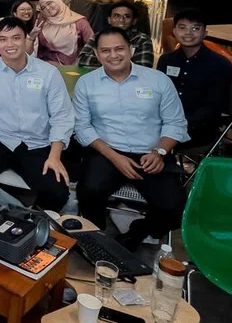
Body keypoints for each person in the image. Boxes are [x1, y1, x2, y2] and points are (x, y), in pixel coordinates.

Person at [74, 28, 189, 250]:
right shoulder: (87, 83)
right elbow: (82, 127)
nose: (113, 55)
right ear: (97, 55)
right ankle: (95, 236)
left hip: (152, 153)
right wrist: (114, 157)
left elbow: (176, 123)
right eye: (106, 51)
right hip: (107, 151)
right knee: (89, 191)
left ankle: (139, 231)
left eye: (119, 49)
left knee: (174, 208)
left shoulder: (158, 80)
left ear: (131, 50)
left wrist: (160, 152)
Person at [0, 17, 74, 213]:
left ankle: (31, 223)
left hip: (37, 144)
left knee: (58, 191)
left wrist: (55, 156)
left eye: (16, 38)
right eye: (3, 39)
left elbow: (62, 117)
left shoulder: (48, 73)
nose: (10, 44)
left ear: (26, 40)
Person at [157, 9, 232, 147]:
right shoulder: (166, 60)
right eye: (182, 28)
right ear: (174, 31)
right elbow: (159, 96)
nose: (188, 33)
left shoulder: (219, 65)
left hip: (198, 129)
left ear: (205, 33)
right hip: (165, 124)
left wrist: (178, 125)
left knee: (147, 144)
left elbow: (213, 108)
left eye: (195, 28)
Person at [78, 1, 154, 68]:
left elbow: (143, 66)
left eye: (127, 16)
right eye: (116, 16)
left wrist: (106, 60)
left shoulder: (142, 39)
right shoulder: (98, 36)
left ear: (134, 21)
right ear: (109, 20)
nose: (121, 20)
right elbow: (83, 60)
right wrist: (119, 61)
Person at [36, 0, 94, 65]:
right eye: (43, 7)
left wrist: (81, 62)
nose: (47, 8)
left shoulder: (79, 22)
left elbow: (92, 45)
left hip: (75, 66)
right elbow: (39, 51)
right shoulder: (42, 24)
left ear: (58, 1)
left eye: (49, 3)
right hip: (49, 67)